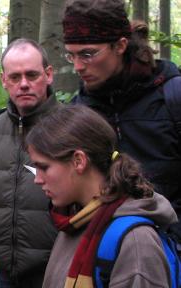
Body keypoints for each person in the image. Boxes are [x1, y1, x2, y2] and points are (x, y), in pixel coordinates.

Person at [62, 0, 181, 237]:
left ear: (120, 45)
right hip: (105, 255)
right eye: (71, 55)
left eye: (87, 54)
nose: (78, 66)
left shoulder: (172, 96)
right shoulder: (79, 111)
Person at [25, 105, 177, 288]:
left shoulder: (135, 243)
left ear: (78, 161)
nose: (37, 179)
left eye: (44, 167)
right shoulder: (76, 220)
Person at [0, 38, 58, 287]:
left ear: (49, 74)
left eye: (32, 75)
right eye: (14, 77)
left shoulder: (71, 126)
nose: (23, 84)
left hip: (52, 271)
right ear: (3, 80)